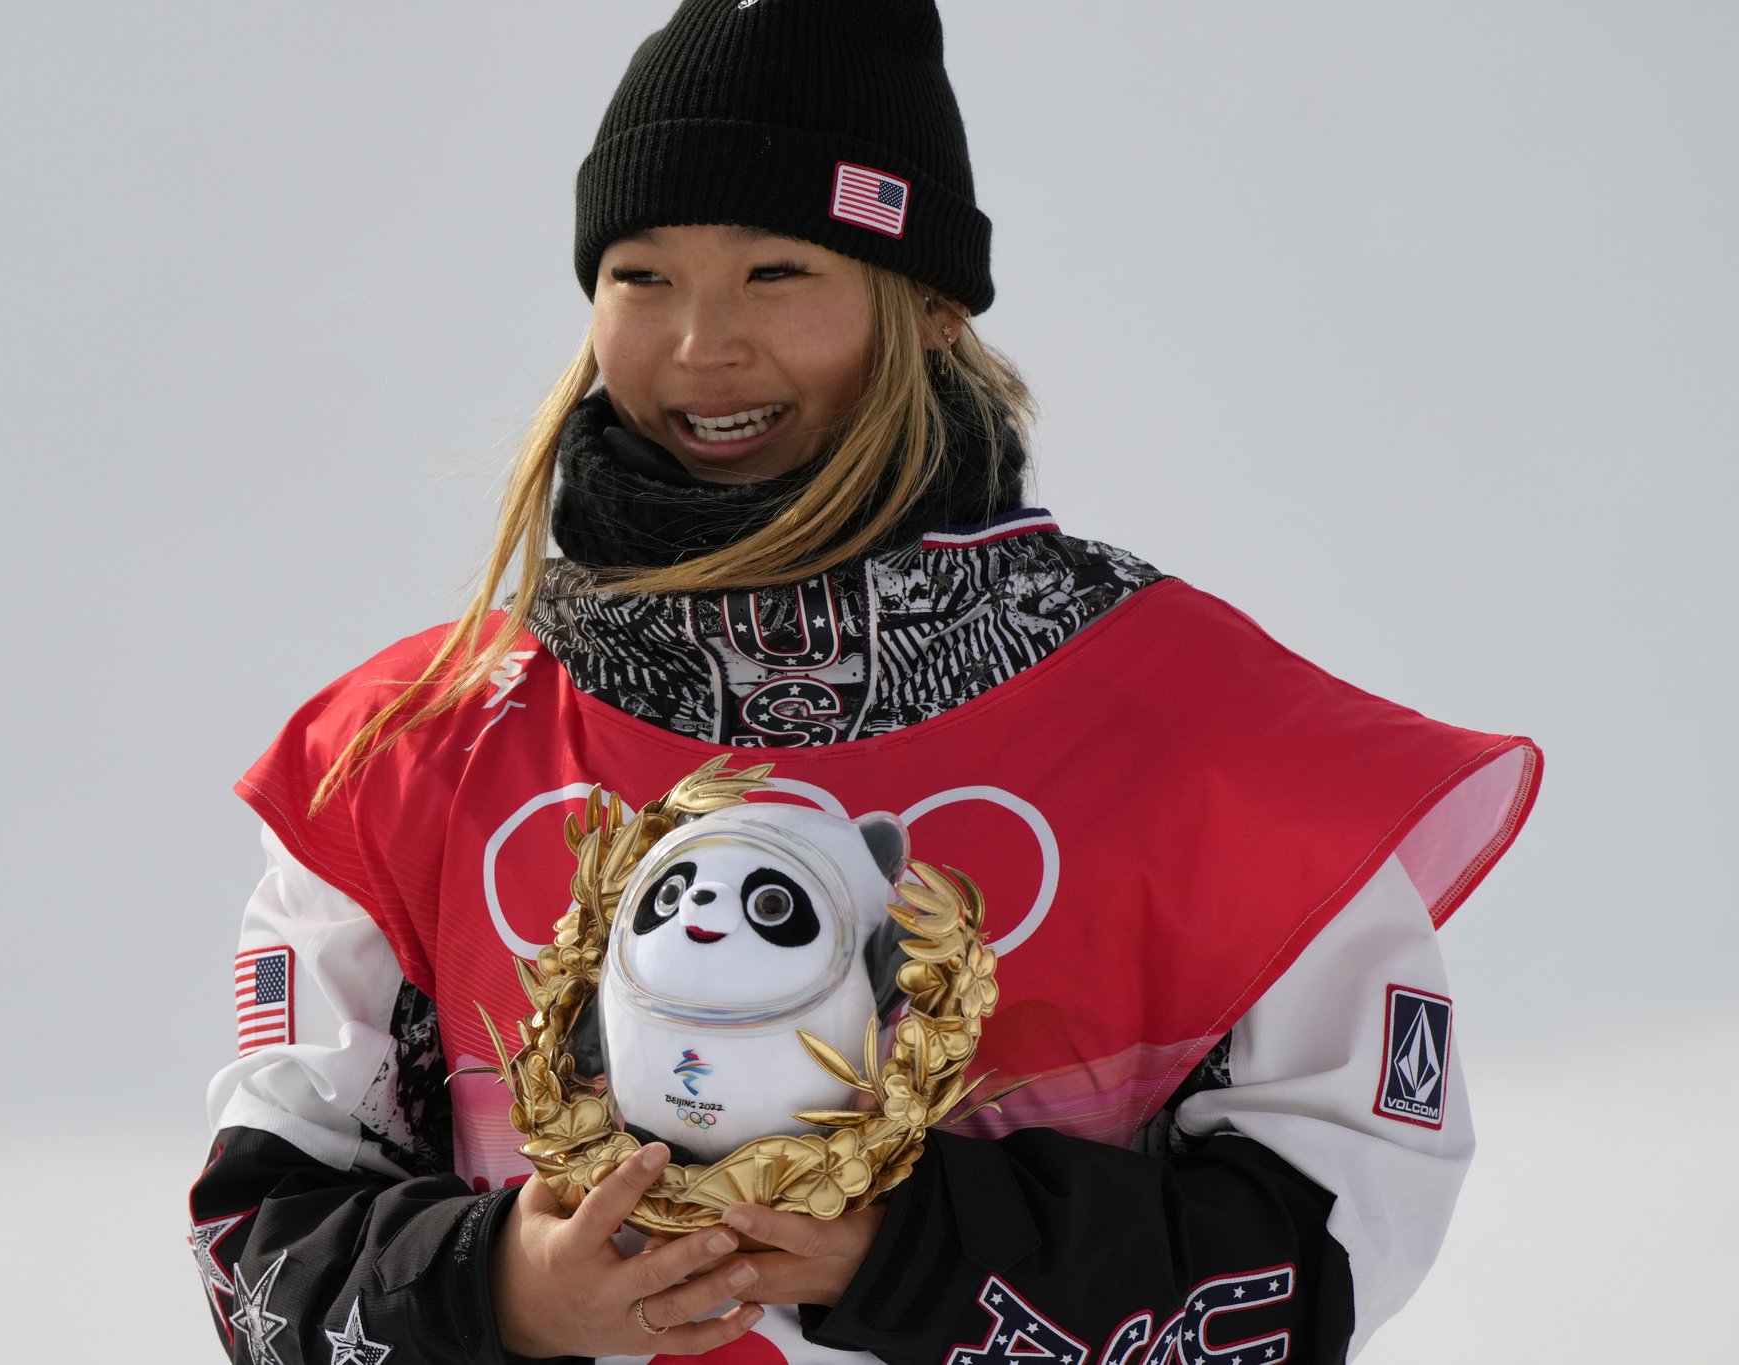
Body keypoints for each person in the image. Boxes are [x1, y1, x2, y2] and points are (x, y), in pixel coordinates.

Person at [188, 3, 1542, 1363]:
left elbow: (1336, 1238)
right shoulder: (411, 755)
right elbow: (259, 1243)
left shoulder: (1201, 733)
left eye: (778, 271)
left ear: (933, 308)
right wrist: (506, 1288)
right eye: (641, 275)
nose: (700, 344)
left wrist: (917, 1249)